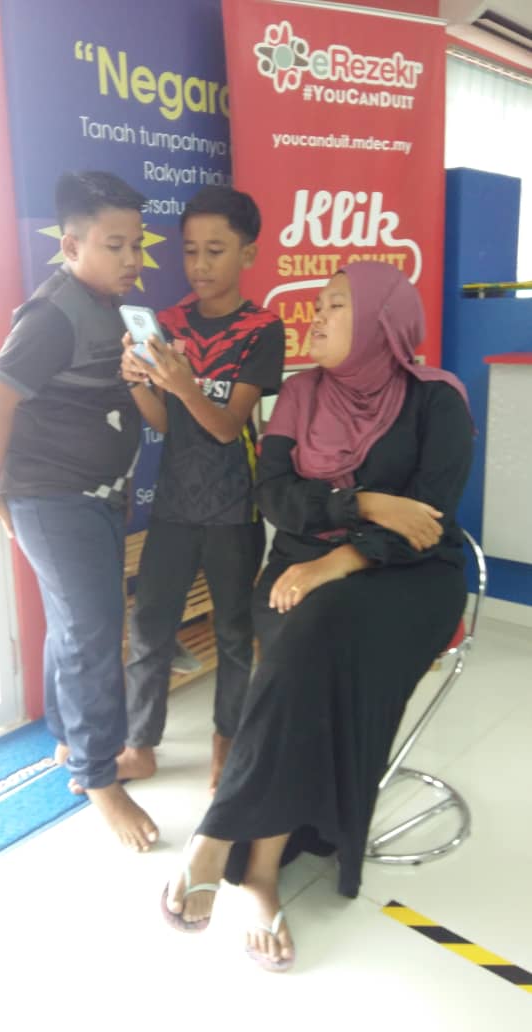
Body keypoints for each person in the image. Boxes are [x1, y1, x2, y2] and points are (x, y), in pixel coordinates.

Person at [160, 262, 473, 971]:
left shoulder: (437, 400)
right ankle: (258, 869)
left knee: (311, 633)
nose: (316, 318)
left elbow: (427, 521)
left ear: (380, 323)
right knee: (306, 637)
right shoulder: (299, 394)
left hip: (408, 577)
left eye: (335, 306)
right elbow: (274, 495)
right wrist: (360, 503)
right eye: (317, 305)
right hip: (300, 566)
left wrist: (337, 559)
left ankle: (224, 840)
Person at [0, 170, 159, 852]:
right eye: (115, 245)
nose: (131, 259)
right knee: (91, 633)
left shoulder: (109, 305)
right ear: (72, 245)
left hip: (97, 495)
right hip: (53, 497)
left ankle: (68, 737)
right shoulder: (53, 314)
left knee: (75, 625)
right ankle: (97, 776)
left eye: (137, 245)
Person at [116, 186, 285, 793]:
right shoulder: (169, 324)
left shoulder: (262, 329)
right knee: (150, 625)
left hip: (235, 507)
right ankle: (140, 744)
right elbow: (167, 424)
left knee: (235, 633)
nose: (200, 265)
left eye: (216, 250)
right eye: (190, 251)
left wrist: (185, 383)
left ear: (248, 254)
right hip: (174, 505)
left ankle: (227, 743)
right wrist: (137, 380)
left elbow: (227, 426)